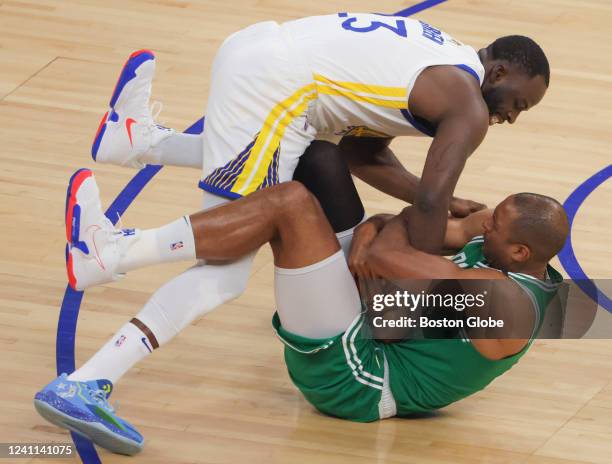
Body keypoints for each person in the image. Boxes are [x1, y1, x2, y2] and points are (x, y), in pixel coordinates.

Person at [72, 14, 551, 413]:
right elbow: (420, 213)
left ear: (519, 250)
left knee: (314, 161)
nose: (512, 116)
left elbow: (371, 175)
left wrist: (383, 236)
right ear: (500, 73)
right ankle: (109, 258)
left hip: (259, 50)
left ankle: (140, 143)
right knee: (230, 270)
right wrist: (390, 232)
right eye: (518, 104)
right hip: (274, 92)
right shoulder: (465, 107)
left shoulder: (444, 61)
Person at [35, 169, 568, 455]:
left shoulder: (504, 304)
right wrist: (370, 232)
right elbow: (396, 225)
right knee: (319, 161)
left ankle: (115, 253)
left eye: (492, 227)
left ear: (519, 253)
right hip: (372, 321)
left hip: (358, 381)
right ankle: (93, 361)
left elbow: (392, 239)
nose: (480, 222)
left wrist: (375, 236)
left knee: (290, 204)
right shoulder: (505, 250)